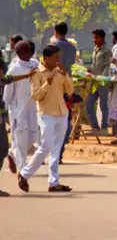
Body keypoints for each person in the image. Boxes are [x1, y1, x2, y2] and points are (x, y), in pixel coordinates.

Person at [18, 44, 76, 193]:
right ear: (46, 58)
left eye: (59, 57)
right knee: (46, 146)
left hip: (62, 113)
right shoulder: (36, 73)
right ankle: (24, 174)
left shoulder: (59, 72)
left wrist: (65, 75)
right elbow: (36, 96)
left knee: (56, 149)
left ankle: (54, 182)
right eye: (55, 57)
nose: (58, 60)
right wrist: (47, 83)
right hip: (46, 114)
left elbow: (70, 91)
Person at [5, 39, 41, 181]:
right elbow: (7, 95)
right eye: (25, 51)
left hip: (33, 109)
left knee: (31, 140)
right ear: (19, 52)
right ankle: (22, 171)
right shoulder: (13, 69)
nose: (29, 53)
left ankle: (12, 154)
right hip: (18, 111)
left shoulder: (35, 65)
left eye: (29, 50)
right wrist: (8, 113)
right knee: (21, 141)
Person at [82, 29, 111, 135]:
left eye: (96, 37)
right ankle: (95, 127)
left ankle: (104, 128)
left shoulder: (106, 51)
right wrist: (87, 70)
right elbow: (94, 66)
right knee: (89, 104)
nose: (94, 40)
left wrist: (101, 78)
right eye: (93, 37)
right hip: (94, 82)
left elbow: (107, 66)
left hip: (102, 82)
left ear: (102, 38)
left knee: (103, 105)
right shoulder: (95, 50)